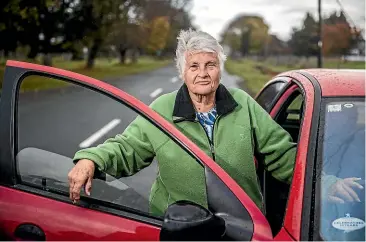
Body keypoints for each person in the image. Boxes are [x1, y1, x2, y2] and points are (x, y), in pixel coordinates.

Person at [67, 29, 359, 217]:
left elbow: (283, 155)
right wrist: (91, 160)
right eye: (194, 66)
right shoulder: (162, 108)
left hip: (242, 224)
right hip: (177, 226)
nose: (203, 73)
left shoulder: (243, 104)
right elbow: (127, 148)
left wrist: (326, 182)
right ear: (183, 71)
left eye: (211, 64)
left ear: (220, 68)